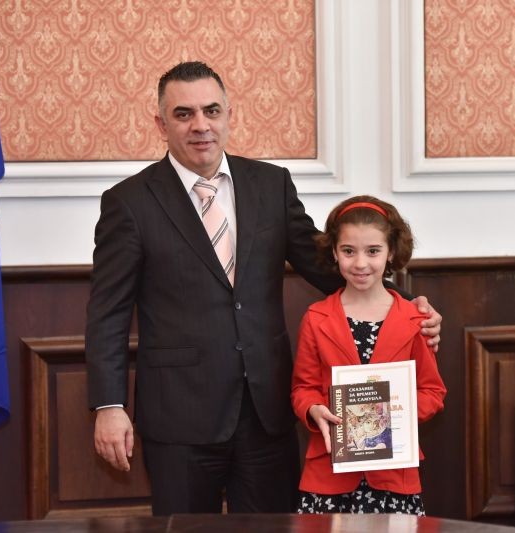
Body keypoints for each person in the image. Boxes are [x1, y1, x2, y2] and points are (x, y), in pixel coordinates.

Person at [85, 61, 442, 515]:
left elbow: (325, 266)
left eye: (212, 111)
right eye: (184, 114)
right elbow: (108, 314)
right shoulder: (129, 202)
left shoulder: (271, 184)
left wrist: (407, 308)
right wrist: (109, 405)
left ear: (229, 115)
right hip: (179, 417)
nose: (201, 125)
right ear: (161, 124)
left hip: (267, 411)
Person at [291, 195, 447, 515]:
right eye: (349, 251)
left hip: (393, 476)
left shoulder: (415, 320)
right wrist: (313, 409)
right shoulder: (316, 318)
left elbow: (432, 391)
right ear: (334, 252)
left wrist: (394, 413)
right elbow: (303, 388)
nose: (360, 263)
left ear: (391, 252)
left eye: (373, 251)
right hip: (330, 475)